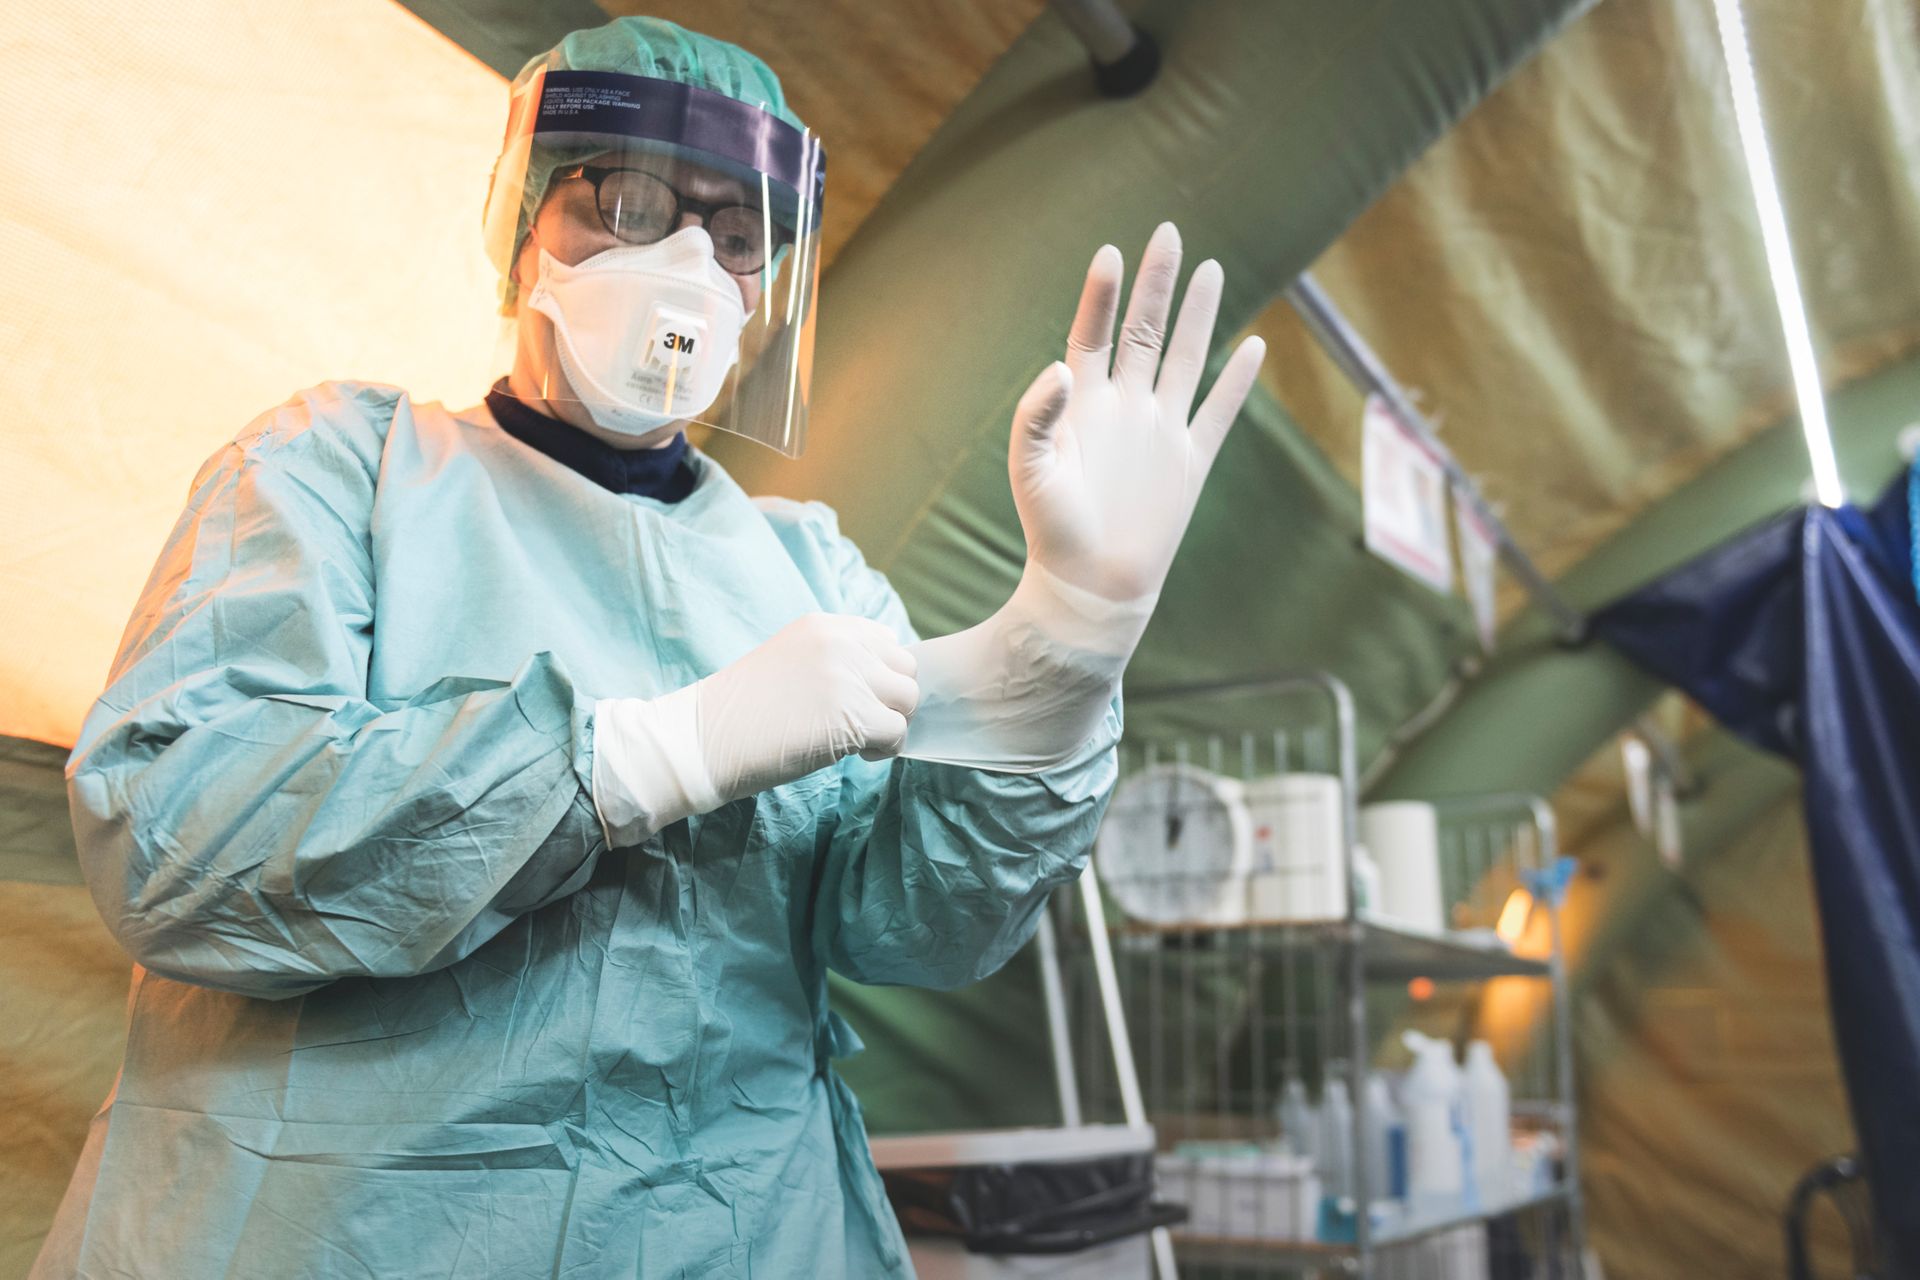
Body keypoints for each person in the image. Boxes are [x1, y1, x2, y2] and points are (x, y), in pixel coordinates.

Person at [31, 16, 1263, 1279]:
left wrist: (1066, 641)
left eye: (736, 235)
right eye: (626, 198)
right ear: (525, 230)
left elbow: (917, 926)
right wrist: (642, 754)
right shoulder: (337, 471)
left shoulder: (810, 570)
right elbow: (177, 841)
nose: (687, 262)